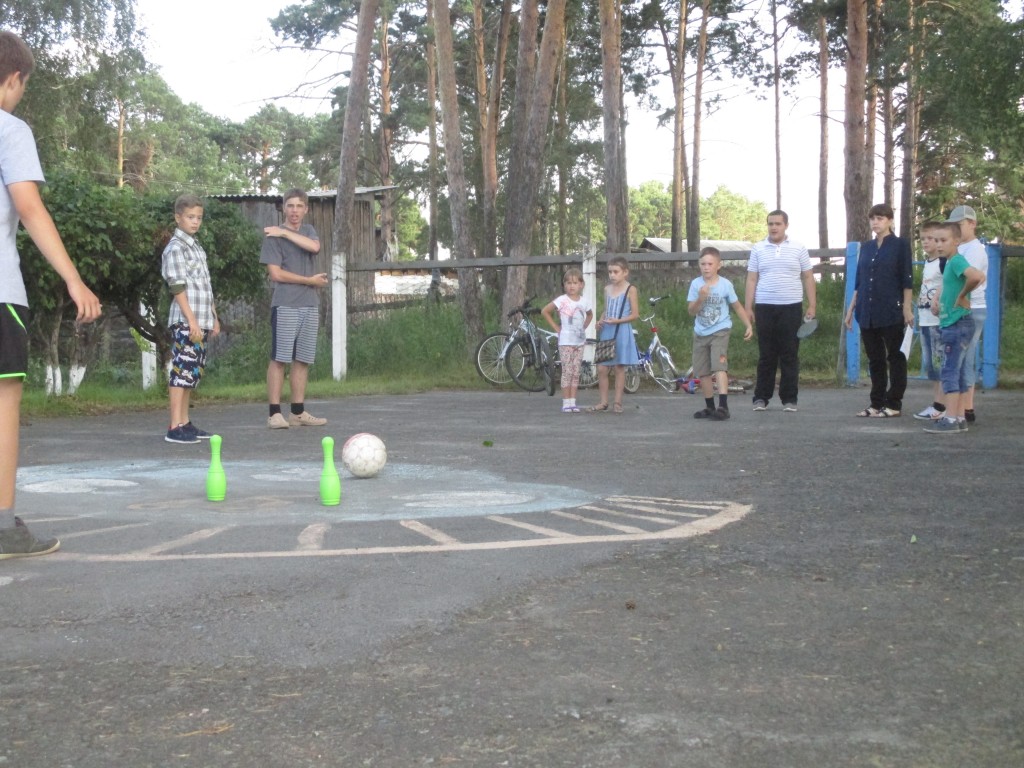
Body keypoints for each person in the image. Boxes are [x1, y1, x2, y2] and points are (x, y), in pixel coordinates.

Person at [0, 32, 102, 558]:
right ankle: (1, 526)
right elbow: (29, 206)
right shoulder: (9, 129)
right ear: (14, 79)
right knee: (3, 406)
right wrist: (73, 278)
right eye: (22, 87)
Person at [260, 188, 328, 429]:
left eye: (299, 206)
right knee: (280, 358)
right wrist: (309, 280)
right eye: (290, 206)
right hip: (286, 304)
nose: (294, 211)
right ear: (283, 208)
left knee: (303, 359)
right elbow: (276, 274)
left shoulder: (308, 231)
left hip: (309, 304)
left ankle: (297, 412)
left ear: (306, 209)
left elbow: (315, 247)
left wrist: (286, 233)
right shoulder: (273, 237)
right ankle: (274, 413)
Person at [844, 203, 914, 417]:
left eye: (880, 218)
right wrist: (850, 309)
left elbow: (907, 279)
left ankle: (894, 403)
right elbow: (860, 281)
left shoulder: (900, 245)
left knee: (895, 356)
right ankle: (876, 403)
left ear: (890, 220)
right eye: (873, 218)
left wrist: (907, 308)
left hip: (890, 309)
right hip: (867, 310)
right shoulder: (866, 247)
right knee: (875, 359)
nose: (875, 222)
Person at [161, 194, 220, 444]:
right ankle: (174, 426)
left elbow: (205, 285)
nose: (195, 222)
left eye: (199, 218)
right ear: (178, 218)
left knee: (191, 373)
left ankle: (185, 422)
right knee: (181, 371)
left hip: (201, 319)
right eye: (190, 217)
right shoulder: (176, 247)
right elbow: (177, 286)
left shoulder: (196, 246)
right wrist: (192, 321)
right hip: (187, 321)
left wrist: (213, 317)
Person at [744, 210, 816, 412]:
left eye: (778, 223)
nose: (774, 227)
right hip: (765, 306)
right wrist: (748, 307)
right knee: (766, 355)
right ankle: (761, 397)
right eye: (770, 224)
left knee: (789, 354)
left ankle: (789, 399)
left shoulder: (799, 248)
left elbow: (808, 277)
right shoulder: (758, 248)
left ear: (786, 225)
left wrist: (812, 305)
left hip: (791, 306)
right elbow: (751, 279)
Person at [923, 221, 985, 434]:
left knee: (949, 371)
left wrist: (961, 296)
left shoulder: (957, 261)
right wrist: (940, 301)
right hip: (953, 322)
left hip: (956, 325)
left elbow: (977, 276)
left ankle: (950, 419)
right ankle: (958, 417)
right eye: (936, 240)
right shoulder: (950, 262)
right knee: (956, 372)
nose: (938, 244)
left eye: (943, 240)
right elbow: (976, 277)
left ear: (956, 241)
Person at [687, 246, 753, 421]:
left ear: (718, 265)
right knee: (703, 371)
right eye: (703, 264)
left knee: (719, 366)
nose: (706, 267)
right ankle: (710, 406)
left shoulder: (725, 284)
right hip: (700, 331)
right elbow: (691, 311)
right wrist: (700, 298)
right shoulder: (696, 284)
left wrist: (748, 325)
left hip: (720, 330)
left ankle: (723, 406)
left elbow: (737, 306)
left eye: (710, 264)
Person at [946, 205, 987, 425]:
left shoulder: (975, 249)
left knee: (964, 358)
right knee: (961, 358)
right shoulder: (961, 248)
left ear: (972, 224)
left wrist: (961, 295)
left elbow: (974, 277)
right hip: (963, 307)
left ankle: (963, 409)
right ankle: (963, 409)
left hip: (972, 307)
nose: (956, 229)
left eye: (959, 224)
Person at [589, 256, 639, 414]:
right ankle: (603, 402)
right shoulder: (607, 289)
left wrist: (618, 320)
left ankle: (617, 402)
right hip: (607, 330)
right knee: (602, 368)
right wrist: (600, 321)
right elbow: (606, 309)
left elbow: (635, 314)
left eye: (616, 272)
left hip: (622, 330)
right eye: (610, 272)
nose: (612, 275)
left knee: (619, 367)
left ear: (625, 272)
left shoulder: (631, 289)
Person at [541, 268, 593, 413]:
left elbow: (590, 315)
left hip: (579, 342)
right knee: (567, 371)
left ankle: (573, 402)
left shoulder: (584, 301)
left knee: (576, 372)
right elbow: (545, 311)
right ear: (564, 285)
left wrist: (584, 327)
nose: (572, 286)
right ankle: (565, 402)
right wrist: (556, 327)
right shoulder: (562, 300)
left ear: (581, 285)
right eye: (568, 283)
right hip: (566, 342)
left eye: (575, 283)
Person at [912, 221, 947, 422]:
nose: (926, 242)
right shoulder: (928, 262)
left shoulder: (944, 262)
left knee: (939, 362)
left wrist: (938, 300)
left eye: (930, 238)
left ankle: (942, 405)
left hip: (937, 320)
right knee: (931, 365)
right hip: (925, 319)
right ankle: (937, 403)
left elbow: (948, 283)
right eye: (923, 238)